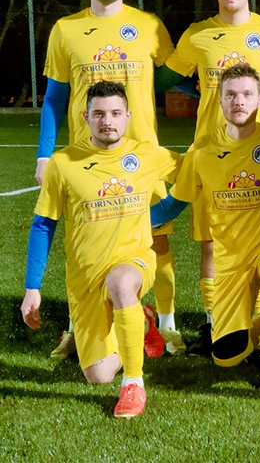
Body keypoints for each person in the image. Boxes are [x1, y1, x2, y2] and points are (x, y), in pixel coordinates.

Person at [155, 0, 260, 353]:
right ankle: (217, 325)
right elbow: (164, 79)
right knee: (211, 244)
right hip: (212, 154)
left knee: (259, 245)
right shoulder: (197, 35)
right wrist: (201, 91)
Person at [35, 0, 183, 358]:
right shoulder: (65, 29)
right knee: (82, 246)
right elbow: (54, 98)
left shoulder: (149, 25)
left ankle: (167, 326)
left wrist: (217, 89)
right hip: (85, 159)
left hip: (143, 155)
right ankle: (77, 327)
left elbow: (174, 76)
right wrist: (44, 155)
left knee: (157, 242)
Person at [21, 81, 183, 418]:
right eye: (98, 114)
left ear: (128, 116)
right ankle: (141, 320)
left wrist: (163, 212)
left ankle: (134, 384)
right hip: (85, 278)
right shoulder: (64, 163)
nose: (107, 121)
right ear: (85, 118)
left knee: (121, 282)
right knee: (99, 374)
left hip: (133, 260)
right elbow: (43, 224)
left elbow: (195, 174)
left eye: (115, 113)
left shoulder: (147, 154)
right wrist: (32, 286)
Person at [150, 64, 260, 393]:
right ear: (218, 100)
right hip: (231, 263)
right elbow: (174, 203)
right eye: (230, 94)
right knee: (225, 356)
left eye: (247, 94)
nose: (239, 101)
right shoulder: (202, 150)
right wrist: (131, 220)